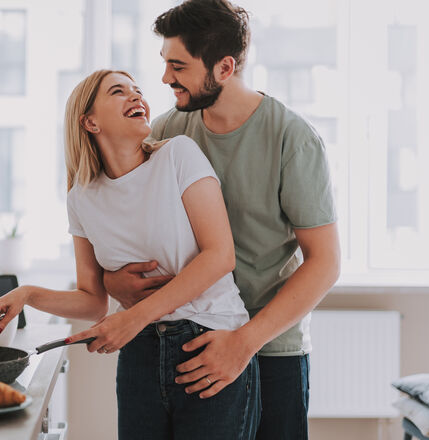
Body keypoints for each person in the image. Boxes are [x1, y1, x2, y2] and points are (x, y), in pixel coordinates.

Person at [101, 1, 341, 439]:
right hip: (184, 343)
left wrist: (244, 342)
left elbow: (325, 263)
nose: (165, 78)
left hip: (270, 352)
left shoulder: (293, 139)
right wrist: (111, 280)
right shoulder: (164, 133)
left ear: (225, 67)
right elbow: (125, 220)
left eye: (178, 66)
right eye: (165, 63)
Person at [0, 69, 260, 439]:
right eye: (118, 91)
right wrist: (27, 294)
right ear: (89, 122)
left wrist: (131, 319)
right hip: (140, 355)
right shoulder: (81, 198)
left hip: (208, 340)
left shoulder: (179, 155)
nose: (136, 96)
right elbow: (93, 301)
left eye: (137, 91)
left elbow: (220, 256)